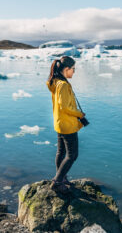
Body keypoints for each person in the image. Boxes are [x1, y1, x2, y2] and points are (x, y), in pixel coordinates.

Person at [46, 56, 85, 193]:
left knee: (61, 152)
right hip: (67, 125)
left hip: (59, 123)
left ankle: (61, 177)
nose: (74, 72)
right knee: (72, 155)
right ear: (66, 69)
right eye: (73, 69)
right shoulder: (62, 85)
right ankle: (57, 182)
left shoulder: (56, 82)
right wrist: (79, 114)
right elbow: (65, 107)